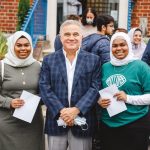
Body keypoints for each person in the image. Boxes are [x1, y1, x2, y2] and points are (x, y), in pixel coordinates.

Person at [39, 20, 101, 150]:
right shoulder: (49, 60)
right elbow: (45, 88)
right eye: (67, 34)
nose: (71, 38)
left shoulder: (93, 60)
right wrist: (63, 112)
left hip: (83, 120)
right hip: (56, 121)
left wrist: (76, 110)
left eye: (75, 34)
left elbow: (94, 88)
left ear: (81, 37)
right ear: (61, 38)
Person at [98, 32, 150, 150]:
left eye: (123, 44)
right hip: (108, 124)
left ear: (129, 46)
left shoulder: (141, 67)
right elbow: (97, 90)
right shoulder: (105, 67)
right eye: (115, 46)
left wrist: (128, 98)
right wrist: (99, 100)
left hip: (135, 125)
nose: (119, 48)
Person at [0, 31, 44, 150]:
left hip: (33, 124)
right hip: (7, 123)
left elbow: (46, 92)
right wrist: (9, 102)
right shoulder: (2, 66)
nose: (23, 48)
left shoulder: (38, 66)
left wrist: (37, 100)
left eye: (26, 45)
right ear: (12, 45)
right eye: (19, 45)